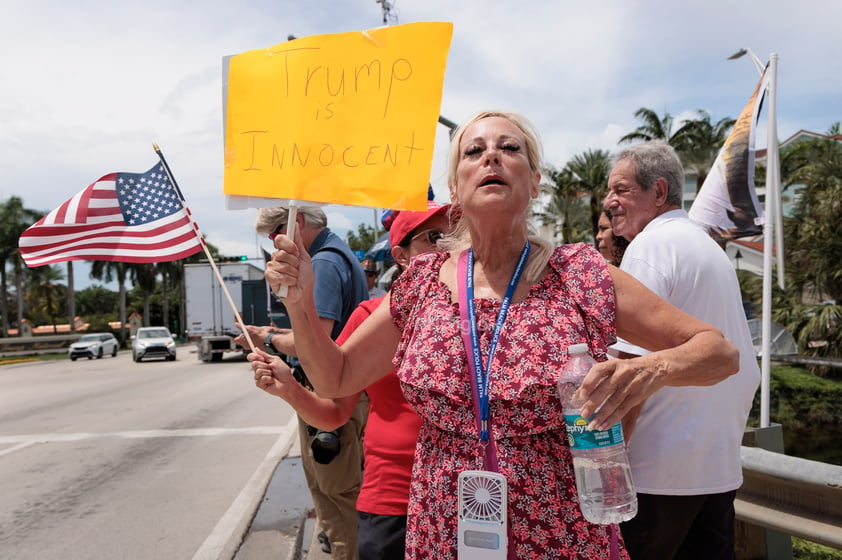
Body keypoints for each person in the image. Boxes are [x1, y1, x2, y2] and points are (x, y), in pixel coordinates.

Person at [259, 110, 740, 559]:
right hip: (445, 529)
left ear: (534, 181)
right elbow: (335, 377)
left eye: (509, 147)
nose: (491, 156)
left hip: (559, 530)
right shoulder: (422, 283)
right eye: (474, 151)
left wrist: (648, 369)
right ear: (455, 186)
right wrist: (300, 302)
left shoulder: (580, 274)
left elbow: (719, 352)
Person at [248, 201, 451, 560]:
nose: (449, 245)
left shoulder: (493, 311)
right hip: (395, 500)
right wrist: (291, 390)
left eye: (458, 235)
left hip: (474, 497)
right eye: (435, 237)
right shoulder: (374, 317)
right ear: (401, 256)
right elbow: (335, 410)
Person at [604, 139, 761, 560]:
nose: (609, 202)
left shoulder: (651, 246)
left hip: (658, 473)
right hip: (716, 466)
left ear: (658, 192)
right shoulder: (708, 247)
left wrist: (609, 470)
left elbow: (630, 373)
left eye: (620, 190)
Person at [236, 205, 369, 560]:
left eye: (276, 232)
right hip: (340, 390)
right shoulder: (336, 253)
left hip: (333, 393)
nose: (273, 242)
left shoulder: (323, 262)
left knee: (335, 498)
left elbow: (314, 341)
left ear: (298, 223)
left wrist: (270, 340)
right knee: (335, 494)